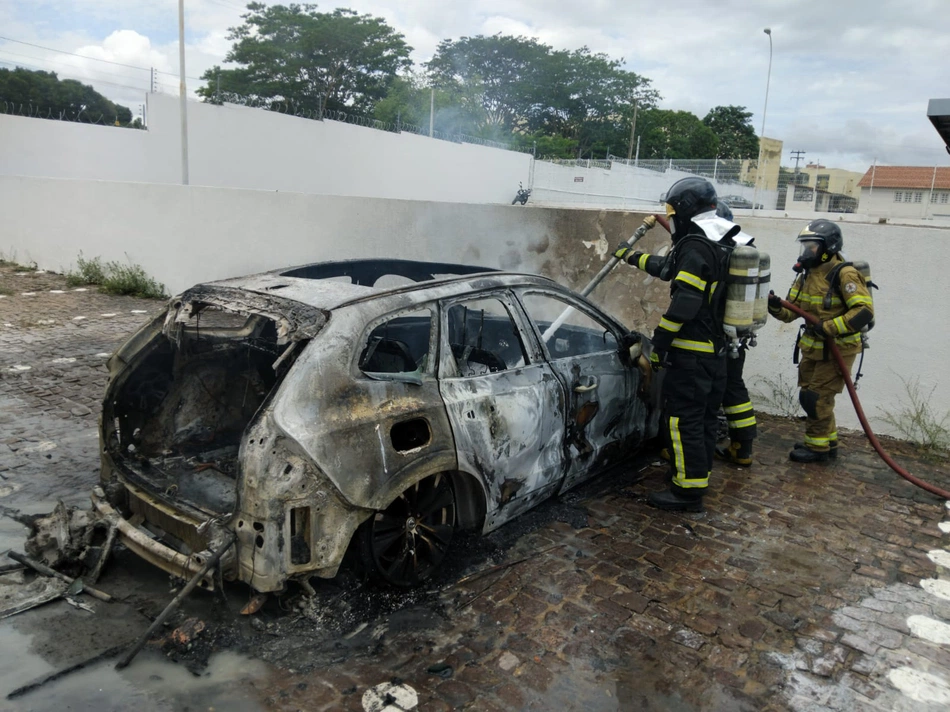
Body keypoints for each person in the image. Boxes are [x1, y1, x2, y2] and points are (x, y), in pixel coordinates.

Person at [614, 177, 731, 511]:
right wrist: (629, 256)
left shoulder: (695, 247)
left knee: (684, 420)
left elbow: (685, 304)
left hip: (693, 354)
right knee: (705, 419)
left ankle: (687, 492)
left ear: (685, 210)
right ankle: (697, 473)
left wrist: (660, 343)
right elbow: (667, 268)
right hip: (715, 352)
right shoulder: (717, 241)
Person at [767, 220, 873, 463]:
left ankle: (818, 449)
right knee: (812, 396)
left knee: (817, 399)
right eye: (804, 245)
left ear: (828, 246)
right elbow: (790, 313)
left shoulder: (844, 273)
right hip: (812, 348)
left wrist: (828, 327)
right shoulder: (806, 274)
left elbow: (864, 311)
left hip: (839, 348)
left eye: (811, 246)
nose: (806, 251)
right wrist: (774, 306)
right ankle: (828, 440)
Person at [711, 201, 758, 467]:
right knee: (734, 387)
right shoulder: (743, 250)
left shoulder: (714, 251)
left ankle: (685, 450)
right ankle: (743, 448)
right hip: (737, 335)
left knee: (703, 390)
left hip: (715, 334)